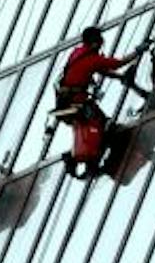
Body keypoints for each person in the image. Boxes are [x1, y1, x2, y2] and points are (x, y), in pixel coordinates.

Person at [52, 27, 147, 178]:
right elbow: (117, 63)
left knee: (96, 126)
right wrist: (138, 51)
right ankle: (89, 162)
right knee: (103, 125)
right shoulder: (92, 58)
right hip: (78, 103)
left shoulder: (77, 53)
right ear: (96, 42)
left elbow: (98, 70)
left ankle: (84, 161)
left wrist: (118, 77)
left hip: (66, 102)